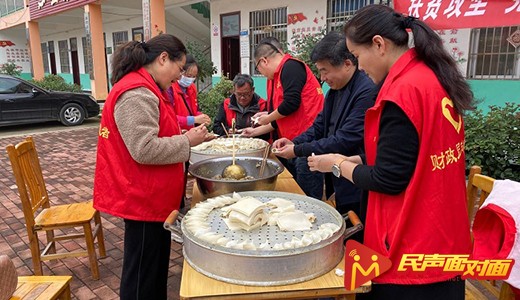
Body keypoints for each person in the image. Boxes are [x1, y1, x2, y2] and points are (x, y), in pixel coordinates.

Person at [308, 5, 474, 300]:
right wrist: (355, 160)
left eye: (357, 57)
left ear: (379, 44)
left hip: (412, 245)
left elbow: (389, 178)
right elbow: (410, 156)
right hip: (444, 238)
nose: (359, 67)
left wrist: (337, 164)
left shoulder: (402, 92)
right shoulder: (429, 76)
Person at [93, 34, 210, 300]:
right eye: (179, 70)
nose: (179, 78)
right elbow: (143, 148)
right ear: (162, 58)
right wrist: (187, 141)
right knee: (141, 276)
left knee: (154, 269)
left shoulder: (149, 88)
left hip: (153, 196)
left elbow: (160, 130)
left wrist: (185, 136)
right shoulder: (136, 92)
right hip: (142, 199)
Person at [272, 31, 375, 219]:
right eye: (319, 71)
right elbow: (319, 126)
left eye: (324, 70)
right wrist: (293, 142)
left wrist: (297, 150)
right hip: (339, 177)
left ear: (347, 63)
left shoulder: (366, 91)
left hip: (359, 179)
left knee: (357, 228)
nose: (322, 77)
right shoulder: (335, 90)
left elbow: (344, 140)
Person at [243, 38, 325, 199]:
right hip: (291, 142)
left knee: (307, 193)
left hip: (307, 140)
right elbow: (280, 117)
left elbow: (291, 104)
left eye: (258, 68)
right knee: (294, 190)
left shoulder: (291, 67)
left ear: (263, 61)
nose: (261, 73)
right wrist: (254, 131)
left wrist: (267, 118)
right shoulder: (276, 77)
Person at [212, 74, 268, 140]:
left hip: (255, 145)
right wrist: (228, 131)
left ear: (253, 90)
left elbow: (268, 132)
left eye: (246, 94)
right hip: (231, 144)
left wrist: (254, 132)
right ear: (234, 91)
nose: (242, 97)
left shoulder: (262, 105)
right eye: (239, 94)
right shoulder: (226, 104)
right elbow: (216, 127)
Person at [167, 54, 211, 130]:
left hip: (191, 132)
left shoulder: (192, 88)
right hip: (176, 133)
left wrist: (202, 117)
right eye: (188, 75)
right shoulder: (169, 88)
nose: (190, 79)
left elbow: (193, 111)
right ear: (180, 71)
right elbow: (169, 118)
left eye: (194, 77)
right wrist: (194, 120)